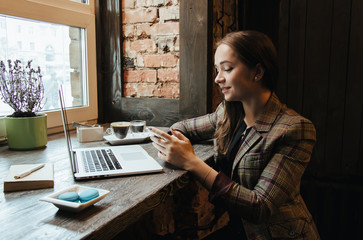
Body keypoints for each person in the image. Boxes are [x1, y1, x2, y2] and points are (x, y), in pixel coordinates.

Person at [149, 30, 320, 240]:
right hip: (239, 228)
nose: (217, 79)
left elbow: (260, 206)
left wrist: (191, 162)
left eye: (227, 69)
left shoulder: (295, 129)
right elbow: (181, 127)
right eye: (216, 70)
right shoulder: (228, 113)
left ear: (257, 72)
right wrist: (173, 141)